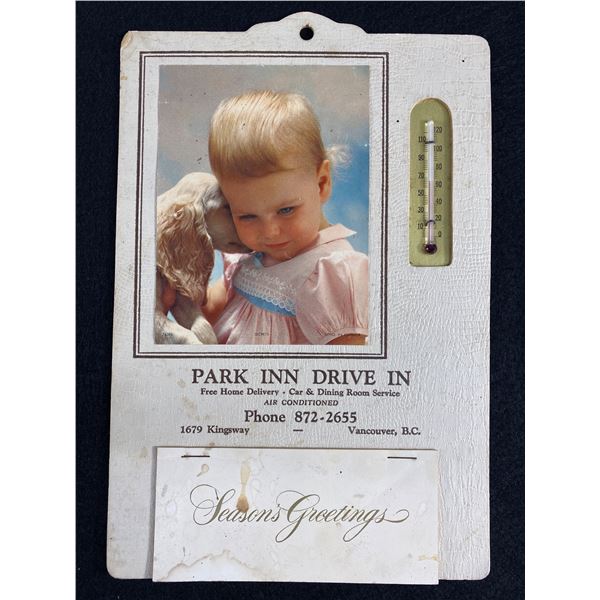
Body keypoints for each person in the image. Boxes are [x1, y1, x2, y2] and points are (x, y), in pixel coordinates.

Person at [203, 90, 368, 345]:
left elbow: (346, 362)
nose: (269, 232)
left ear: (322, 183)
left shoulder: (331, 273)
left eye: (286, 210)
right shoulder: (248, 256)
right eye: (247, 216)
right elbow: (211, 310)